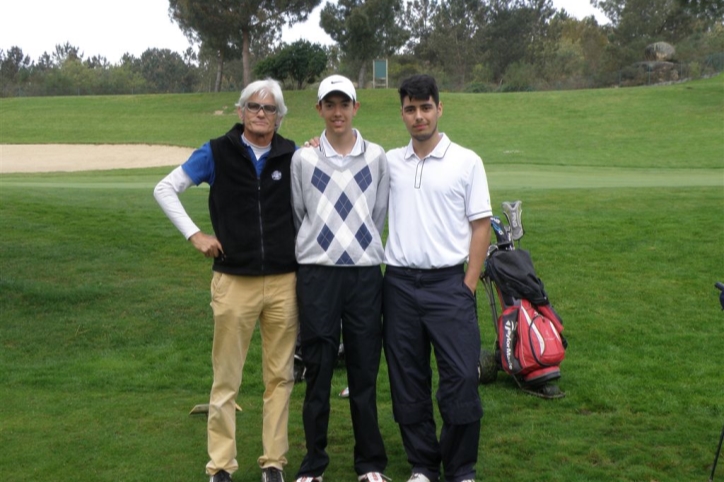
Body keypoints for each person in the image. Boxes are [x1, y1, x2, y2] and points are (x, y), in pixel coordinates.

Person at [153, 79, 298, 482]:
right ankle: (220, 465)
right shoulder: (216, 151)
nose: (261, 114)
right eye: (253, 107)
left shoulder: (292, 155)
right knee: (226, 379)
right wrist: (195, 235)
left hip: (285, 280)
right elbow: (166, 189)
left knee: (280, 377)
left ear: (279, 116)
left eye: (269, 109)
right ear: (240, 111)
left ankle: (273, 462)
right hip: (234, 281)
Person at [382, 74, 492, 482]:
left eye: (425, 107)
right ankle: (423, 465)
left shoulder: (467, 161)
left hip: (449, 284)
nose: (418, 116)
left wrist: (469, 282)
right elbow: (347, 156)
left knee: (462, 376)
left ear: (439, 109)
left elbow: (480, 226)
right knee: (408, 379)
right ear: (403, 114)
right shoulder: (390, 161)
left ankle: (460, 467)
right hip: (398, 285)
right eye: (410, 108)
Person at [291, 74, 389, 482]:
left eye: (343, 104)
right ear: (319, 110)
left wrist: (358, 247)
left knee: (364, 371)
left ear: (355, 107)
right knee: (318, 369)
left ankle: (369, 464)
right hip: (317, 275)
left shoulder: (378, 157)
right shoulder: (304, 158)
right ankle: (314, 464)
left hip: (365, 275)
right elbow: (301, 214)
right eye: (329, 105)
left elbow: (377, 214)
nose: (337, 112)